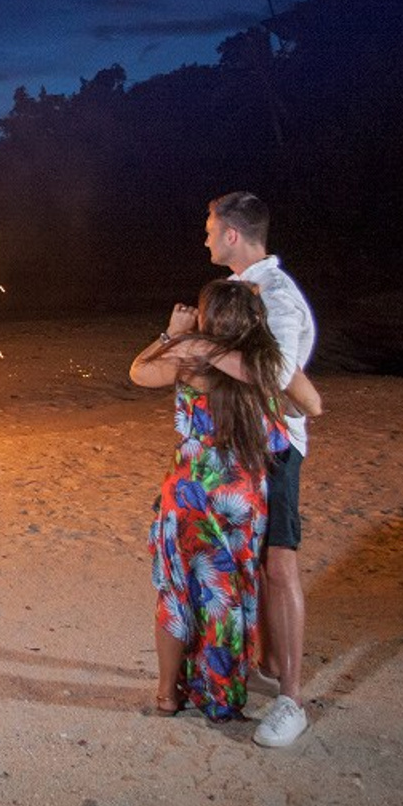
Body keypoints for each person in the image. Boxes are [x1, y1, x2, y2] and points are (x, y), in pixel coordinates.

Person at [130, 279, 319, 723]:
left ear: (207, 317)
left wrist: (171, 334)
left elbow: (138, 372)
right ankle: (220, 691)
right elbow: (313, 404)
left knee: (177, 592)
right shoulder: (267, 364)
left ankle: (166, 695)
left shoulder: (188, 355)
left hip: (188, 494)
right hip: (240, 499)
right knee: (227, 597)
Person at [205, 191, 318, 748]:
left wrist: (203, 352)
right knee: (256, 560)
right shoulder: (247, 291)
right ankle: (269, 663)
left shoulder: (277, 297)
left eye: (210, 229)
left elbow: (275, 373)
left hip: (277, 447)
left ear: (231, 234)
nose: (204, 238)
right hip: (248, 443)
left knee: (280, 564)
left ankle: (292, 700)